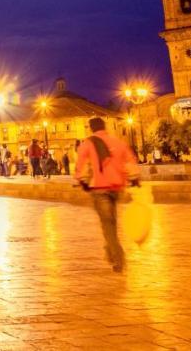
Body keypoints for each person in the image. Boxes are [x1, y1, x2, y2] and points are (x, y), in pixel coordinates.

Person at [75, 116, 139, 272]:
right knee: (111, 221)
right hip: (116, 187)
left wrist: (82, 180)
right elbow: (130, 161)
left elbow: (81, 163)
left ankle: (117, 257)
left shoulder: (88, 143)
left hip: (100, 188)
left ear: (91, 128)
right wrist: (134, 177)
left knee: (107, 224)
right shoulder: (118, 142)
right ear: (105, 126)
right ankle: (111, 250)